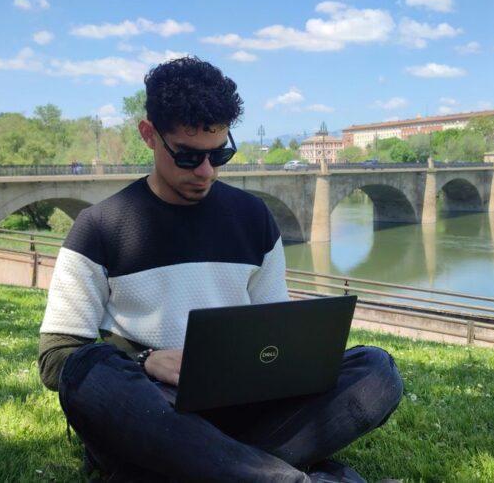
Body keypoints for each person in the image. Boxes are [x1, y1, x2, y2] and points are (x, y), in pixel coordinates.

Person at [38, 56, 403, 482]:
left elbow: (273, 335)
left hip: (244, 410)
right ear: (149, 135)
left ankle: (214, 469)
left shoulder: (254, 218)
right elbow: (56, 360)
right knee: (89, 370)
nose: (207, 172)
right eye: (189, 156)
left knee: (377, 371)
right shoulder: (98, 227)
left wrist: (287, 361)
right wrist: (146, 361)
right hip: (152, 411)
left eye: (220, 154)